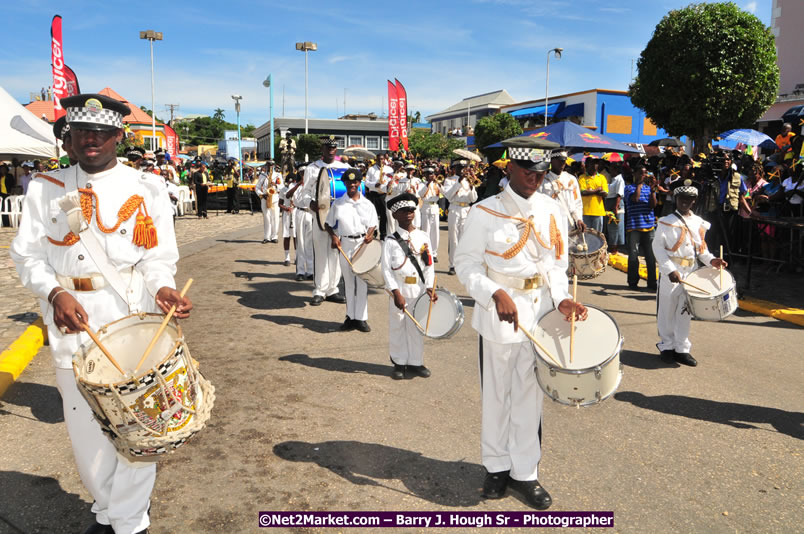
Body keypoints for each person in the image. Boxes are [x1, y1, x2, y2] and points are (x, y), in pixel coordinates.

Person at [10, 93, 191, 534]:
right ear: (69, 138)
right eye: (81, 133)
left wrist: (163, 287)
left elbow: (157, 257)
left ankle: (128, 522)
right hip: (72, 321)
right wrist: (53, 293)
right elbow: (26, 257)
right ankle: (110, 508)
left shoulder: (145, 187)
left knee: (140, 425)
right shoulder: (44, 188)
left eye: (101, 133)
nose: (91, 140)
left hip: (130, 317)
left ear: (117, 136)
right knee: (86, 429)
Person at [454, 141, 587, 510]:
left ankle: (525, 473)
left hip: (540, 311)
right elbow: (465, 264)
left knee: (530, 395)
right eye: (527, 170)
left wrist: (561, 298)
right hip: (500, 313)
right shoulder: (485, 211)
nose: (534, 178)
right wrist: (494, 292)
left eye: (541, 173)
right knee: (497, 393)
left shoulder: (551, 209)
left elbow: (557, 266)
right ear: (510, 168)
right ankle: (496, 467)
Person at [652, 179, 727, 366]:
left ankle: (682, 349)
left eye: (689, 199)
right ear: (676, 199)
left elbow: (702, 251)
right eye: (682, 198)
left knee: (685, 311)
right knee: (667, 310)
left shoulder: (698, 223)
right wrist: (669, 270)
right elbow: (658, 248)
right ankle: (667, 346)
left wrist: (712, 261)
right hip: (672, 272)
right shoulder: (665, 222)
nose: (685, 202)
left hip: (691, 272)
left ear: (694, 201)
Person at [381, 192, 436, 380]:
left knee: (416, 326)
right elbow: (387, 270)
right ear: (395, 216)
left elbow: (429, 266)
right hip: (399, 290)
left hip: (419, 289)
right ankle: (399, 362)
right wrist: (395, 292)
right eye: (403, 211)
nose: (408, 214)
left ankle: (415, 362)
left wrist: (429, 287)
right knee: (398, 326)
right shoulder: (389, 241)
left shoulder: (423, 237)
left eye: (411, 210)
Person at [325, 168, 378, 333]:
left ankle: (361, 318)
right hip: (345, 244)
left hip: (362, 245)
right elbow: (328, 223)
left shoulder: (367, 204)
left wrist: (371, 235)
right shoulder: (338, 203)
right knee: (348, 282)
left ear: (359, 183)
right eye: (348, 182)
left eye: (355, 182)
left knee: (362, 283)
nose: (352, 185)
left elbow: (373, 224)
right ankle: (350, 317)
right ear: (345, 183)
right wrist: (334, 237)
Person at [299, 135, 348, 305]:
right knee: (320, 253)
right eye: (328, 148)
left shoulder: (343, 168)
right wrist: (310, 203)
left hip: (338, 217)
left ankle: (332, 289)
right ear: (323, 149)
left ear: (336, 150)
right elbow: (304, 193)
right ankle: (319, 289)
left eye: (334, 148)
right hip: (320, 216)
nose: (331, 151)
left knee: (335, 252)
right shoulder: (312, 168)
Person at [623, 164, 658, 290]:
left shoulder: (649, 189)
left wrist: (653, 190)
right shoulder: (628, 188)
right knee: (633, 256)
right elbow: (635, 199)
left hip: (649, 226)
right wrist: (639, 184)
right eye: (641, 173)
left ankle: (652, 282)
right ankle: (633, 282)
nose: (643, 175)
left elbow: (653, 205)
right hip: (634, 226)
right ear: (635, 174)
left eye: (645, 173)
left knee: (651, 256)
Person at [444, 159, 478, 275]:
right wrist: (458, 182)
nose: (462, 170)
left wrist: (472, 187)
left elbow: (474, 199)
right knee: (453, 239)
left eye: (464, 167)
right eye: (459, 168)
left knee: (464, 238)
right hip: (454, 208)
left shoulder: (469, 181)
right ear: (455, 169)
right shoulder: (449, 180)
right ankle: (452, 265)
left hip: (466, 209)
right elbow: (448, 196)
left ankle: (463, 264)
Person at [538, 151, 585, 233]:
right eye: (559, 160)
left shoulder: (571, 179)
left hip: (569, 223)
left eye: (564, 160)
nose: (562, 163)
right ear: (551, 160)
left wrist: (579, 219)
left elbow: (577, 202)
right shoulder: (544, 180)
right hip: (550, 222)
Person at [291, 163, 314, 281]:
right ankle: (300, 271)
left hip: (310, 212)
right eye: (302, 173)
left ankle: (310, 270)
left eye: (305, 173)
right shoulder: (296, 185)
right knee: (300, 242)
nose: (304, 175)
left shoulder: (312, 186)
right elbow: (288, 195)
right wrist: (299, 184)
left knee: (310, 243)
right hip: (300, 212)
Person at [364, 154, 392, 238]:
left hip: (384, 195)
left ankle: (383, 233)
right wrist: (374, 185)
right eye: (379, 159)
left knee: (384, 215)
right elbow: (366, 182)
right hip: (374, 194)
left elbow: (391, 181)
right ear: (376, 160)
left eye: (382, 159)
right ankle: (374, 232)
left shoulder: (389, 169)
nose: (381, 161)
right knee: (374, 214)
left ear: (384, 159)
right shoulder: (371, 169)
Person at [418, 166, 442, 263]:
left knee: (435, 232)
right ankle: (425, 251)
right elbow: (420, 193)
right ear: (425, 175)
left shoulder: (436, 184)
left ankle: (434, 253)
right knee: (425, 231)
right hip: (426, 207)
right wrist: (428, 183)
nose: (430, 176)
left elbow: (444, 193)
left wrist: (439, 183)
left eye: (431, 174)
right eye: (428, 174)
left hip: (435, 208)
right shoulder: (422, 184)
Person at [577, 158, 608, 233]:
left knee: (597, 235)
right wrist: (597, 190)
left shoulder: (602, 177)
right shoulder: (582, 177)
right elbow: (583, 192)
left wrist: (590, 191)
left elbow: (605, 193)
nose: (594, 165)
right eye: (592, 163)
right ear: (587, 165)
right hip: (585, 212)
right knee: (586, 235)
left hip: (598, 211)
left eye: (596, 163)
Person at [256, 160, 282, 243]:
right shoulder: (262, 175)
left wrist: (276, 185)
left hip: (274, 198)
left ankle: (274, 236)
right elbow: (257, 187)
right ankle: (266, 237)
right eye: (268, 165)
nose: (270, 167)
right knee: (267, 218)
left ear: (273, 166)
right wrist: (261, 195)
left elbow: (282, 187)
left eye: (271, 165)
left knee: (275, 218)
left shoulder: (278, 175)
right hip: (265, 198)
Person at [604, 162, 625, 254]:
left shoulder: (619, 179)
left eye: (612, 169)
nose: (610, 171)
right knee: (610, 226)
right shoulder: (612, 179)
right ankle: (612, 244)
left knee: (615, 226)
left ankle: (615, 246)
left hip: (615, 203)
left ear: (616, 170)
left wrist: (615, 207)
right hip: (609, 202)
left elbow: (619, 194)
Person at [278, 172, 297, 266]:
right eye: (289, 182)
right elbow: (280, 203)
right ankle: (287, 257)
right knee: (286, 236)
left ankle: (297, 257)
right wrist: (286, 208)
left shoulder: (298, 190)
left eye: (292, 181)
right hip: (287, 214)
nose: (290, 183)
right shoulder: (283, 190)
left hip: (295, 213)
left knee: (295, 236)